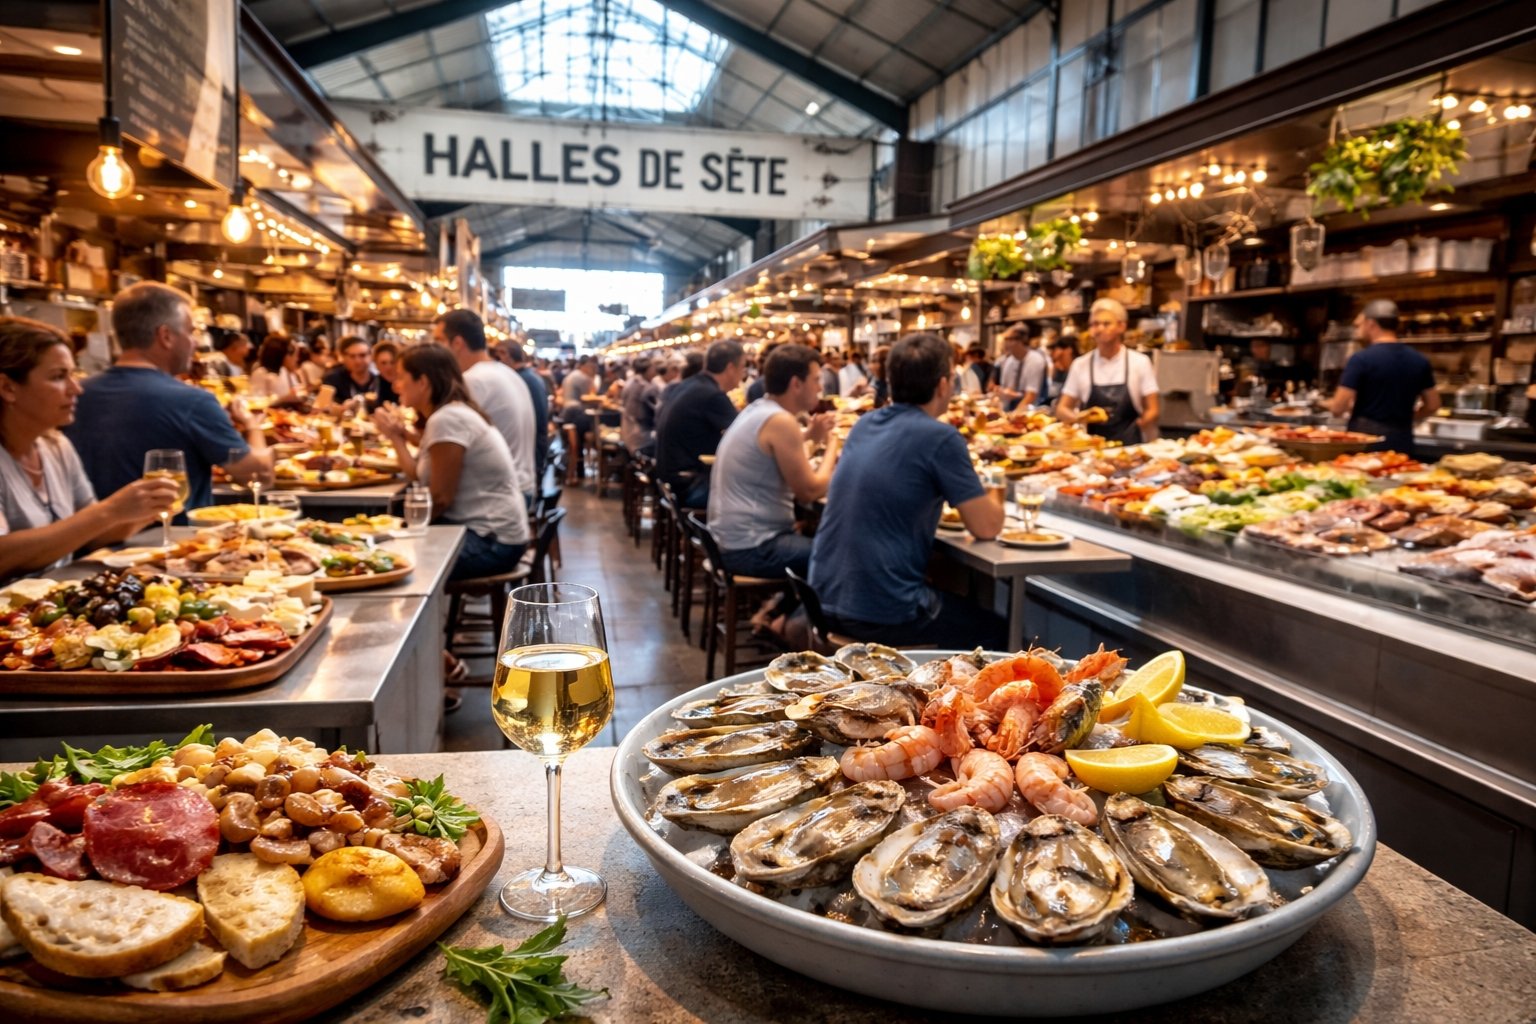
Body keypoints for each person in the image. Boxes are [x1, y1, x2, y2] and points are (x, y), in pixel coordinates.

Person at [809, 333, 1005, 648]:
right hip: (881, 614)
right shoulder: (942, 438)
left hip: (821, 602)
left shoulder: (864, 425)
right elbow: (986, 527)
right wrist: (998, 484)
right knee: (999, 632)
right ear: (944, 385)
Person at [65, 281, 271, 515]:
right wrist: (253, 426)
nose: (194, 343)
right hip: (178, 544)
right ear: (165, 336)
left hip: (90, 545)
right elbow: (258, 476)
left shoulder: (72, 395)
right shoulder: (193, 402)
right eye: (191, 331)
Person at [0, 317, 180, 580]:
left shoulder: (56, 446)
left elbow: (95, 535)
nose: (76, 389)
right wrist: (109, 510)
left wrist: (144, 508)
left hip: (53, 605)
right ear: (7, 388)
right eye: (59, 377)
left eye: (73, 374)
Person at [373, 345, 528, 581]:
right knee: (382, 551)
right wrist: (397, 437)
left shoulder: (448, 419)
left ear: (423, 381)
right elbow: (417, 473)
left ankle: (427, 617)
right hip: (489, 534)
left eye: (401, 377)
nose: (395, 385)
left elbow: (441, 499)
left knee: (386, 560)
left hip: (491, 542)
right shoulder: (450, 414)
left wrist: (401, 532)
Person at [709, 343, 840, 582]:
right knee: (841, 557)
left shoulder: (759, 409)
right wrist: (834, 445)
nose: (820, 388)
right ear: (796, 384)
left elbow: (771, 449)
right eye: (816, 380)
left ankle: (776, 611)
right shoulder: (780, 421)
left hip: (731, 541)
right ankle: (791, 619)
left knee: (817, 537)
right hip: (752, 548)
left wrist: (810, 436)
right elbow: (809, 491)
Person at [435, 309, 538, 503]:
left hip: (501, 496)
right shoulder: (506, 373)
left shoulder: (474, 380)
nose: (435, 348)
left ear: (457, 343)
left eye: (439, 341)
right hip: (523, 486)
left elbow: (448, 444)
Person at [1328, 299, 1439, 456]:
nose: (1357, 330)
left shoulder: (1361, 359)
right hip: (1401, 439)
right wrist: (1406, 416)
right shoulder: (1419, 360)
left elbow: (1338, 407)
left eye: (1359, 325)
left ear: (1371, 324)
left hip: (1364, 442)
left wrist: (1325, 404)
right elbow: (1433, 405)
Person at [654, 339, 744, 509]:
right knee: (756, 499)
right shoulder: (712, 395)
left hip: (670, 480)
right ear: (731, 368)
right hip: (690, 485)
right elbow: (748, 434)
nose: (743, 373)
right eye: (742, 367)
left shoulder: (690, 385)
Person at [1056, 298, 1161, 443]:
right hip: (1090, 449)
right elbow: (1062, 408)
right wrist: (1078, 419)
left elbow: (1153, 409)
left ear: (1121, 326)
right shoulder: (1080, 364)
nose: (1099, 329)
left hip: (1131, 449)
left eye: (1106, 323)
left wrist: (1143, 424)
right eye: (1094, 324)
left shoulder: (1140, 362)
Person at [503, 341, 550, 488]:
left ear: (507, 356)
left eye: (497, 356)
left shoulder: (520, 379)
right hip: (534, 448)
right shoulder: (531, 377)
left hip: (529, 451)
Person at [991, 326, 1047, 410]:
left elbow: (1031, 396)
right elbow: (1007, 388)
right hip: (1009, 407)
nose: (1004, 344)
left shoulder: (1035, 360)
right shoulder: (1009, 361)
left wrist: (1014, 415)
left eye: (1008, 339)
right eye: (1005, 340)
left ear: (1021, 341)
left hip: (1031, 410)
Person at [320, 336, 382, 406]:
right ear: (343, 357)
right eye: (352, 356)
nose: (357, 361)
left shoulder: (380, 380)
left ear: (371, 356)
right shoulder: (332, 380)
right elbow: (322, 407)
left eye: (362, 355)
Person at [559, 353, 598, 461]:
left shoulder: (571, 375)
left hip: (566, 414)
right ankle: (593, 452)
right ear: (585, 366)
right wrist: (592, 377)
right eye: (590, 366)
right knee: (597, 426)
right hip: (576, 413)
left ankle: (578, 464)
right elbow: (590, 397)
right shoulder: (583, 377)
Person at [248, 334, 307, 404]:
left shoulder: (284, 371)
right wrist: (283, 399)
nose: (296, 359)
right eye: (294, 355)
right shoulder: (261, 373)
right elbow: (256, 402)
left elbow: (296, 391)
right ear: (282, 354)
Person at [620, 356, 660, 455]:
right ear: (648, 369)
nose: (655, 370)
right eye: (653, 368)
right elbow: (658, 413)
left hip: (627, 432)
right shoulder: (647, 387)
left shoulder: (629, 382)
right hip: (642, 438)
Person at [1043, 334, 1076, 406]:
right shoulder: (1059, 371)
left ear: (1068, 350)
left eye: (1056, 348)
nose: (1052, 352)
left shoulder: (1078, 371)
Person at [371, 340, 401, 408]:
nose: (388, 367)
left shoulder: (407, 383)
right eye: (383, 363)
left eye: (392, 362)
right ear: (376, 365)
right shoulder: (374, 382)